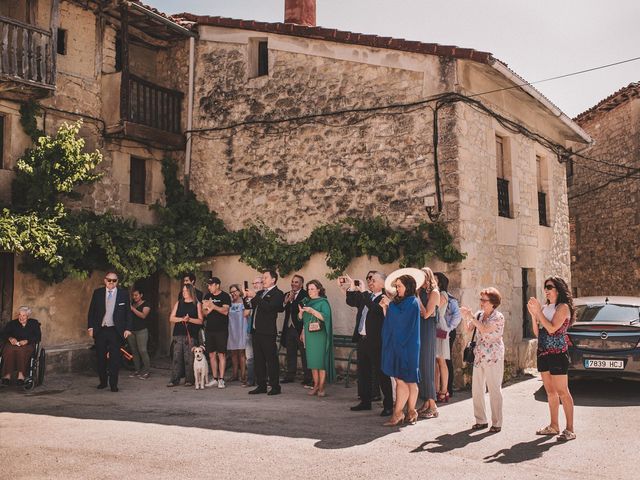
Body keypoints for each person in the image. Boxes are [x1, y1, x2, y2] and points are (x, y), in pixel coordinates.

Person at [527, 276, 576, 442]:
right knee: (550, 392)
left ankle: (570, 429)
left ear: (558, 289)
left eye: (549, 286)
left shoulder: (563, 307)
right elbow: (538, 332)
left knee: (563, 391)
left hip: (557, 353)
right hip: (543, 352)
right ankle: (554, 426)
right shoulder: (547, 307)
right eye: (545, 287)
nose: (546, 290)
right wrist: (534, 316)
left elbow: (553, 328)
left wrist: (538, 312)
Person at [344, 271, 394, 417]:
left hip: (377, 341)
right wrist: (351, 287)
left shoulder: (384, 298)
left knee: (381, 373)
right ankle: (365, 401)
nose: (370, 282)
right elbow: (351, 301)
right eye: (369, 281)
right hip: (363, 339)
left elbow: (376, 310)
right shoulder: (368, 296)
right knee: (363, 372)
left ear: (383, 283)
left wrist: (365, 291)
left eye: (374, 280)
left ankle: (388, 405)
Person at [460, 287, 505, 433]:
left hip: (493, 357)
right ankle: (481, 420)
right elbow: (468, 329)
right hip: (479, 355)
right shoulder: (479, 315)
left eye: (484, 300)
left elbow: (485, 329)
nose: (481, 303)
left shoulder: (498, 317)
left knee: (494, 389)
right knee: (477, 389)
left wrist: (472, 317)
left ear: (493, 302)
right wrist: (467, 316)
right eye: (481, 299)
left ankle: (497, 422)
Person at [380, 274, 421, 426]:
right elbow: (392, 321)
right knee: (408, 380)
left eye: (399, 286)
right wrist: (386, 307)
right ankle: (411, 411)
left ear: (408, 287)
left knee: (402, 379)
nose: (397, 289)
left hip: (407, 345)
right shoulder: (403, 301)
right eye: (396, 286)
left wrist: (390, 305)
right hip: (400, 343)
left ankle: (398, 414)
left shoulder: (412, 301)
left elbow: (402, 321)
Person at [87, 270, 132, 392]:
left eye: (114, 280)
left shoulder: (123, 294)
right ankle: (103, 382)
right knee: (100, 357)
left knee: (115, 359)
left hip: (115, 331)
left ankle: (113, 384)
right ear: (105, 280)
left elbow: (128, 313)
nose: (111, 282)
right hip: (100, 330)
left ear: (117, 282)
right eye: (109, 280)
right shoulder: (98, 293)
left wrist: (128, 328)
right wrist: (90, 327)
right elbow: (92, 312)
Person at [245, 270, 285, 396]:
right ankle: (261, 385)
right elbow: (250, 306)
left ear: (273, 279)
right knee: (259, 360)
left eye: (265, 277)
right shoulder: (261, 292)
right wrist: (246, 296)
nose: (263, 280)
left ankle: (275, 386)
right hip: (256, 331)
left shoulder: (278, 294)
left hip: (267, 332)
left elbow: (269, 308)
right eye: (262, 278)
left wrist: (255, 297)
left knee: (271, 359)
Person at [299, 280, 335, 396]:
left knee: (320, 362)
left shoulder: (323, 302)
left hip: (320, 334)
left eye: (312, 289)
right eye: (308, 289)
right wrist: (300, 314)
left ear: (318, 289)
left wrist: (312, 311)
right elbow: (303, 319)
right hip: (309, 334)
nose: (310, 291)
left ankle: (321, 387)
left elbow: (326, 317)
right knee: (313, 362)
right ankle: (315, 385)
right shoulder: (307, 302)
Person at [167, 284, 203, 387]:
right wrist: (182, 319)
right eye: (183, 291)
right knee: (176, 357)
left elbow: (200, 321)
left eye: (185, 291)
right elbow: (171, 318)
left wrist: (190, 319)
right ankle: (174, 379)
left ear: (190, 291)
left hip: (191, 334)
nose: (184, 293)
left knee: (189, 358)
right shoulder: (179, 303)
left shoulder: (197, 304)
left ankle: (189, 379)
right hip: (178, 333)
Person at [416, 268, 440, 419]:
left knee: (427, 367)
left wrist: (418, 298)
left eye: (422, 277)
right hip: (418, 330)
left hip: (428, 331)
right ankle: (425, 402)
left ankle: (433, 405)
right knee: (420, 367)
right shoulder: (421, 292)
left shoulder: (434, 293)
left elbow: (426, 314)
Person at [281, 274, 311, 385]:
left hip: (300, 328)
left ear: (302, 284)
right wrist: (288, 300)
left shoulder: (306, 295)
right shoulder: (287, 294)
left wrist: (294, 301)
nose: (293, 284)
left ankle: (308, 377)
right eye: (292, 282)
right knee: (290, 352)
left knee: (304, 354)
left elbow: (303, 310)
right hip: (289, 328)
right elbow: (281, 308)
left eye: (296, 282)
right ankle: (290, 375)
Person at [202, 277, 231, 389]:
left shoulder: (225, 296)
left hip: (221, 330)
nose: (209, 287)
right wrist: (207, 310)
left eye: (211, 285)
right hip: (209, 329)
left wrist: (213, 306)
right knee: (211, 354)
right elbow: (204, 312)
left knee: (221, 354)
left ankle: (221, 379)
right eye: (208, 285)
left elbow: (225, 311)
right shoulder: (207, 296)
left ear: (217, 285)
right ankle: (214, 378)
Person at [1, 306, 41, 386]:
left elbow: (38, 336)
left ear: (28, 316)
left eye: (24, 315)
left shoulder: (34, 323)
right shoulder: (12, 323)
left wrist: (27, 341)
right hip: (13, 344)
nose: (21, 317)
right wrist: (10, 338)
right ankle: (7, 375)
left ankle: (21, 376)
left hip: (28, 344)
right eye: (19, 315)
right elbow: (3, 334)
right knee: (9, 350)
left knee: (21, 351)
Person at [227, 283, 250, 384]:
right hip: (232, 330)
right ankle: (234, 374)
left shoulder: (244, 301)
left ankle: (243, 375)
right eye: (231, 292)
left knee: (241, 353)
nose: (233, 294)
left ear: (239, 291)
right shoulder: (230, 303)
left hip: (241, 328)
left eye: (234, 291)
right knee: (233, 353)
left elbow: (246, 314)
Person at [243, 276, 263, 387]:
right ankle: (250, 380)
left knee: (262, 357)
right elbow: (245, 314)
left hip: (261, 331)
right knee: (250, 358)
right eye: (253, 283)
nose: (255, 285)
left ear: (262, 283)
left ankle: (264, 380)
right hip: (250, 330)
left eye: (257, 283)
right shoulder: (250, 297)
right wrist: (246, 298)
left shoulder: (264, 295)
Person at [128, 288, 152, 379]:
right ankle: (137, 370)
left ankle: (146, 371)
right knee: (134, 351)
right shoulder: (133, 304)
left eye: (136, 295)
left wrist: (133, 309)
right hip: (132, 331)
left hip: (142, 330)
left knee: (142, 350)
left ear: (141, 295)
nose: (134, 297)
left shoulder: (146, 304)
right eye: (133, 295)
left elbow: (143, 315)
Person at [434, 272, 451, 403]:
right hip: (432, 326)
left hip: (440, 326)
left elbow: (435, 308)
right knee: (434, 361)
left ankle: (444, 390)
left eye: (434, 279)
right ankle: (435, 388)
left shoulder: (443, 294)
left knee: (441, 360)